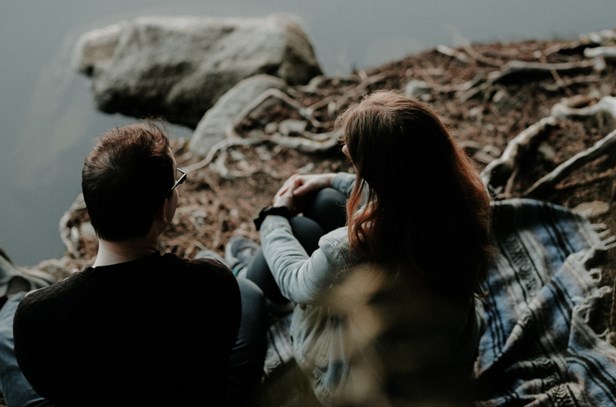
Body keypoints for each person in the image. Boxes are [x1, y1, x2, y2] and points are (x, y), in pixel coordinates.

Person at [231, 90, 494, 406]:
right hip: (445, 359)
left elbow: (295, 281)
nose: (344, 148)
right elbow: (404, 189)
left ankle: (244, 277)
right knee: (327, 200)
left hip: (363, 386)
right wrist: (328, 179)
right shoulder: (467, 203)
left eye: (351, 148)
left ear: (379, 168)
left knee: (299, 230)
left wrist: (274, 217)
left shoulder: (350, 247)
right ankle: (252, 271)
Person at [0, 122, 268, 407]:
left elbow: (48, 387)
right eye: (177, 182)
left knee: (6, 333)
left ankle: (11, 292)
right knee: (249, 294)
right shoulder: (212, 283)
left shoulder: (36, 317)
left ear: (90, 210)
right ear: (165, 208)